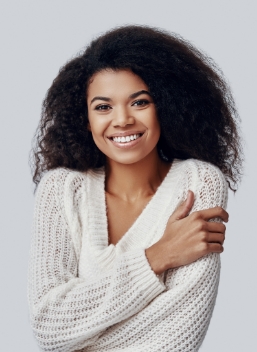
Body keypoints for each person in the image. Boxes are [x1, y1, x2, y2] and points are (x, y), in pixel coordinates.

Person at [28, 26, 243, 352]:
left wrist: (81, 334)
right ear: (85, 118)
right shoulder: (61, 190)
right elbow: (49, 326)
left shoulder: (198, 184)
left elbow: (178, 339)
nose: (122, 120)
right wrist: (158, 257)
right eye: (103, 107)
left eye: (140, 102)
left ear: (166, 105)